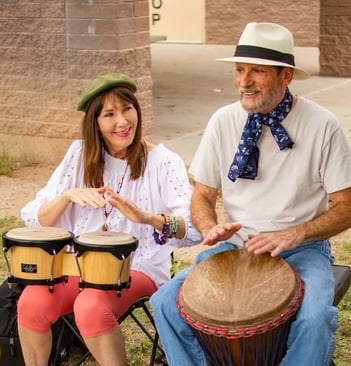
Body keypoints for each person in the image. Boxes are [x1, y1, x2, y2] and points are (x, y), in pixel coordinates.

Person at [150, 22, 351, 366]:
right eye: (240, 70)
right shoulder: (222, 121)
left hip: (302, 249)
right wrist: (210, 225)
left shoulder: (323, 125)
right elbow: (202, 195)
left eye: (257, 71)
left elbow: (346, 206)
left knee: (315, 319)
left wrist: (295, 233)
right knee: (165, 302)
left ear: (285, 76)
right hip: (235, 247)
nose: (243, 82)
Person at [17, 72, 202, 366]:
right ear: (95, 122)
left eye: (127, 109)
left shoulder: (163, 162)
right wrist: (67, 196)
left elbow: (193, 228)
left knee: (90, 305)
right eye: (110, 114)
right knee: (31, 302)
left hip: (137, 266)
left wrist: (148, 217)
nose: (122, 122)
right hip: (79, 264)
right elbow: (37, 218)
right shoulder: (79, 154)